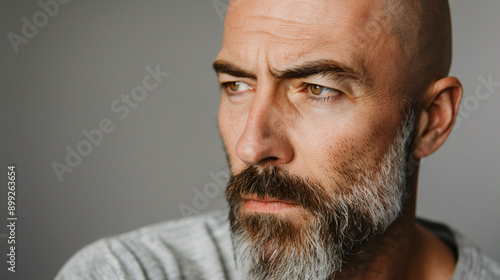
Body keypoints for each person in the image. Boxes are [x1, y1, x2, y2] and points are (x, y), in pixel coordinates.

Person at [56, 0, 500, 279]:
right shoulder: (126, 272)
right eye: (237, 86)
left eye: (319, 90)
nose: (252, 146)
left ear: (431, 120)